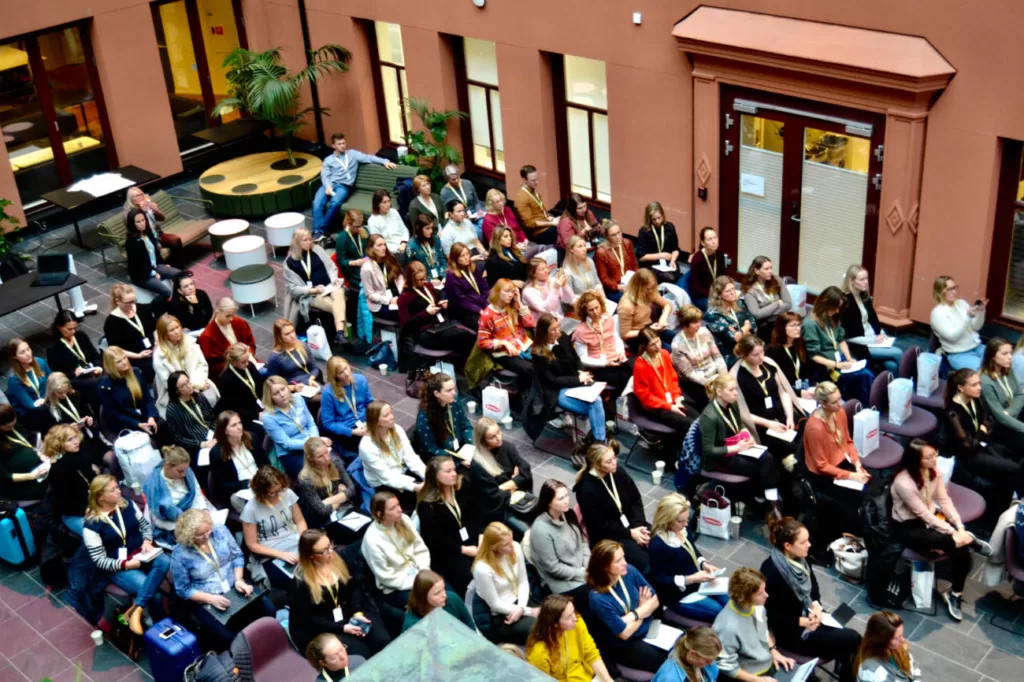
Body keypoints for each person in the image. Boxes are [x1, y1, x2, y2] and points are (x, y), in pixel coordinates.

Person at [891, 439, 993, 621]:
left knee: (960, 549)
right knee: (954, 542)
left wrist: (959, 525)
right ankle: (967, 539)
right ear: (916, 460)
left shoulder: (934, 472)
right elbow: (923, 514)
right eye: (929, 457)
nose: (934, 459)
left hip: (931, 521)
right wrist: (953, 533)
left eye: (935, 454)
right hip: (908, 527)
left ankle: (956, 593)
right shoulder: (904, 483)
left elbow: (944, 501)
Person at [760, 516, 862, 682]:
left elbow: (812, 585)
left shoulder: (802, 557)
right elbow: (771, 615)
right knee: (853, 639)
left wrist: (815, 606)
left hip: (809, 614)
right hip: (791, 631)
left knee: (849, 643)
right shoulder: (771, 572)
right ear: (787, 546)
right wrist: (803, 621)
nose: (809, 545)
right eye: (803, 542)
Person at [170, 508, 273, 648]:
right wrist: (211, 599)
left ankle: (270, 644)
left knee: (269, 610)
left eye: (208, 531)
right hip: (207, 597)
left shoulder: (220, 531)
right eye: (200, 535)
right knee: (231, 637)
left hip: (233, 585)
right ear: (189, 535)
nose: (207, 536)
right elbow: (183, 590)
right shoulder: (180, 554)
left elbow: (237, 556)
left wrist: (239, 580)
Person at [83, 475, 171, 634]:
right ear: (100, 496)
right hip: (119, 566)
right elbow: (99, 560)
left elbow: (144, 525)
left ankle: (136, 610)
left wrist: (146, 541)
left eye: (117, 487)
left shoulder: (127, 504)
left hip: (141, 552)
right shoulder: (91, 525)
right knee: (155, 594)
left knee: (165, 560)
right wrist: (125, 564)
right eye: (114, 489)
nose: (119, 491)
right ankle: (160, 626)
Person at [291, 529, 390, 657]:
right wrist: (342, 628)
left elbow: (353, 588)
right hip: (324, 627)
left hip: (348, 612)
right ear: (311, 555)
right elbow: (312, 619)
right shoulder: (302, 582)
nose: (330, 551)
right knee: (362, 652)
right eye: (324, 550)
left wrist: (357, 612)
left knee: (382, 640)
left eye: (330, 545)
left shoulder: (336, 559)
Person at [944, 368, 1024, 510]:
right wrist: (982, 431)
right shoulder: (953, 413)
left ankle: (1008, 503)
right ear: (961, 388)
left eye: (979, 383)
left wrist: (982, 431)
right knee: (1014, 468)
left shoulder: (975, 399)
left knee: (1013, 456)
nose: (979, 388)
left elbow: (988, 422)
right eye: (974, 385)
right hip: (967, 457)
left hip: (982, 444)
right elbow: (968, 446)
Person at [699, 373, 782, 507]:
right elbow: (708, 451)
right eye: (731, 390)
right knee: (763, 468)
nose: (736, 393)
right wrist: (738, 448)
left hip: (737, 446)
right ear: (719, 392)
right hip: (721, 457)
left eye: (736, 389)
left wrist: (746, 434)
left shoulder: (733, 404)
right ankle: (765, 501)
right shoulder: (709, 417)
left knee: (768, 458)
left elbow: (740, 425)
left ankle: (770, 500)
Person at [586, 539, 666, 673]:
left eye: (623, 557)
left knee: (678, 649)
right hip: (627, 644)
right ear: (605, 566)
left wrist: (631, 617)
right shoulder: (598, 598)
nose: (625, 563)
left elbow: (656, 599)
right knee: (665, 663)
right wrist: (641, 611)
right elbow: (624, 633)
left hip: (649, 627)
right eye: (618, 561)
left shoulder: (629, 571)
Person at [803, 382, 868, 540]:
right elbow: (821, 465)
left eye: (840, 399)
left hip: (841, 462)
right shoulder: (814, 428)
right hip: (822, 475)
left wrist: (857, 463)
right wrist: (851, 476)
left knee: (870, 487)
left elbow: (848, 442)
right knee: (859, 495)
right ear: (823, 404)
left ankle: (860, 530)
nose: (840, 404)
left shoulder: (839, 413)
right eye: (835, 402)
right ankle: (857, 532)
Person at [648, 493, 727, 622]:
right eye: (680, 521)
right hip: (679, 593)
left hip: (698, 580)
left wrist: (703, 564)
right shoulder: (657, 545)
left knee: (731, 602)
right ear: (667, 519)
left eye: (687, 519)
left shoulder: (683, 528)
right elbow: (659, 580)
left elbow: (692, 550)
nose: (685, 524)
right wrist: (690, 579)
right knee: (720, 612)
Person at [575, 443, 650, 573]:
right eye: (609, 461)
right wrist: (631, 534)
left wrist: (638, 525)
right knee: (645, 561)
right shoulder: (586, 490)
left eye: (614, 458)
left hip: (630, 524)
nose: (614, 463)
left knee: (659, 540)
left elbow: (635, 499)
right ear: (597, 465)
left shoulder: (617, 472)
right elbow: (600, 526)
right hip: (609, 536)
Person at [532, 313, 608, 443]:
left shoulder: (563, 338)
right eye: (553, 330)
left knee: (597, 401)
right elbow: (552, 381)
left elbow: (576, 359)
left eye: (558, 327)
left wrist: (581, 373)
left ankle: (599, 440)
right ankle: (600, 441)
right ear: (544, 332)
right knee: (596, 405)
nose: (558, 332)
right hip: (558, 391)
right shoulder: (538, 353)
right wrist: (578, 379)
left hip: (575, 380)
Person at [712, 567, 795, 682]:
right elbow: (726, 666)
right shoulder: (727, 627)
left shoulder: (757, 606)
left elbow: (762, 631)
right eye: (760, 593)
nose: (766, 595)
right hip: (751, 676)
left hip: (767, 662)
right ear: (745, 597)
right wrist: (757, 680)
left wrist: (774, 651)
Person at [731, 334, 804, 461]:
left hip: (782, 414)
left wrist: (790, 416)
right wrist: (768, 424)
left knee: (807, 430)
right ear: (744, 355)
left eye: (762, 352)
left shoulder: (768, 364)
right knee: (791, 446)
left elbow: (783, 392)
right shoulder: (736, 377)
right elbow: (742, 412)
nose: (761, 357)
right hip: (762, 423)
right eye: (755, 355)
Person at [415, 456, 480, 596]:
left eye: (454, 469)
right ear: (435, 476)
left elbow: (475, 514)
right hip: (449, 551)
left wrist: (481, 537)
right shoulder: (427, 505)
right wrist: (464, 549)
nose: (454, 474)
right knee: (472, 578)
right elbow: (434, 541)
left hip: (471, 539)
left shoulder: (462, 487)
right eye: (448, 471)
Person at [313, 132, 396, 236]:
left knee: (335, 202)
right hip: (329, 185)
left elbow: (368, 158)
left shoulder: (352, 154)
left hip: (343, 186)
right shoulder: (328, 160)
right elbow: (325, 175)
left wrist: (384, 161)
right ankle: (317, 231)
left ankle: (323, 230)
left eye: (344, 143)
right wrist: (328, 186)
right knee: (317, 203)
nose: (342, 145)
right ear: (333, 146)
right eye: (339, 144)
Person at [803, 286, 874, 404]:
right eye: (835, 307)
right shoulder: (810, 324)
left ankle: (865, 405)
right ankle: (864, 407)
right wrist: (838, 365)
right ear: (825, 303)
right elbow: (814, 355)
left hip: (840, 360)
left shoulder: (832, 317)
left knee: (866, 373)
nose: (837, 311)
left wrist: (849, 358)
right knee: (864, 376)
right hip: (826, 366)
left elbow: (841, 340)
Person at [361, 491, 431, 608]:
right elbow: (386, 577)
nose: (399, 510)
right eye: (392, 508)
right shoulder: (372, 540)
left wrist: (424, 570)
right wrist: (416, 581)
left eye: (398, 505)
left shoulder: (404, 519)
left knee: (446, 595)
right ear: (380, 514)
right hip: (397, 587)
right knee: (428, 604)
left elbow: (420, 549)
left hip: (420, 573)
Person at [241, 465, 306, 589]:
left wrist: (304, 541)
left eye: (279, 490)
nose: (277, 495)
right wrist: (281, 554)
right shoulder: (250, 509)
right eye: (272, 493)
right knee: (299, 581)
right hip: (272, 552)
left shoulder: (287, 493)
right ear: (261, 491)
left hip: (296, 541)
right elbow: (252, 545)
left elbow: (300, 522)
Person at [472, 521, 538, 644]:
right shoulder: (482, 568)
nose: (512, 546)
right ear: (494, 547)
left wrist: (522, 608)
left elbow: (523, 582)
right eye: (506, 544)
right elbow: (495, 604)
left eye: (511, 540)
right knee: (539, 629)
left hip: (522, 601)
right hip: (501, 615)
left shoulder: (515, 548)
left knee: (554, 616)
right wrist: (528, 611)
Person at [465, 417, 533, 534]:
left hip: (516, 497)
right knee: (526, 532)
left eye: (498, 432)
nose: (498, 438)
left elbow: (526, 471)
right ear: (483, 441)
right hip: (499, 509)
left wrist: (504, 487)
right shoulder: (478, 464)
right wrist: (514, 482)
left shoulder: (507, 447)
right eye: (492, 437)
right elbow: (492, 496)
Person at [397, 262, 475, 362]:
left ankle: (465, 363)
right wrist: (425, 313)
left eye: (425, 278)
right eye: (419, 280)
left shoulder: (428, 286)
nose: (423, 281)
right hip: (425, 333)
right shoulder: (405, 298)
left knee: (468, 335)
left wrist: (441, 304)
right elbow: (406, 325)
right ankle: (469, 365)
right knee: (464, 335)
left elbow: (434, 303)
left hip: (441, 324)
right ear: (411, 280)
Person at [526, 594, 614, 682]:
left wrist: (608, 680)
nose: (575, 618)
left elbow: (591, 653)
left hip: (588, 676)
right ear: (555, 624)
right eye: (569, 617)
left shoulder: (577, 622)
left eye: (574, 611)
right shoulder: (539, 653)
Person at [531, 479, 591, 607]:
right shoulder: (540, 530)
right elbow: (553, 568)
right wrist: (582, 573)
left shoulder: (568, 513)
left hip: (582, 569)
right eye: (560, 498)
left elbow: (583, 541)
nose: (566, 501)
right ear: (549, 502)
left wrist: (588, 563)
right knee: (593, 595)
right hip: (561, 581)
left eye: (566, 496)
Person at [283, 228, 349, 344]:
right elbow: (293, 289)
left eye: (310, 239)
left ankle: (339, 334)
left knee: (339, 293)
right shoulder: (289, 263)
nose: (310, 242)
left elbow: (331, 267)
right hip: (313, 294)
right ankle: (342, 334)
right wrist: (313, 290)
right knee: (337, 305)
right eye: (305, 240)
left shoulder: (317, 250)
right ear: (297, 242)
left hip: (330, 286)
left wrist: (334, 279)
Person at [358, 401, 426, 513]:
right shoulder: (367, 446)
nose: (392, 417)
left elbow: (411, 457)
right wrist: (415, 487)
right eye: (386, 415)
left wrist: (427, 475)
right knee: (419, 505)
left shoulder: (397, 429)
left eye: (391, 412)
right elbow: (387, 477)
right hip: (383, 483)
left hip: (401, 472)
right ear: (376, 421)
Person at [296, 437, 360, 545]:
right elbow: (322, 511)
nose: (326, 458)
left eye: (327, 452)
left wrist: (327, 501)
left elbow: (353, 490)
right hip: (325, 520)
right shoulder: (305, 478)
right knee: (352, 536)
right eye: (320, 456)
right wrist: (342, 495)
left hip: (346, 508)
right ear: (311, 459)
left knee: (365, 525)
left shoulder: (335, 461)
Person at [634, 327, 696, 437]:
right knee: (689, 425)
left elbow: (673, 378)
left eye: (658, 341)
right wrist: (670, 407)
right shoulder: (640, 365)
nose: (657, 346)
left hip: (672, 399)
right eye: (652, 344)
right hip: (656, 407)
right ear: (645, 346)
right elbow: (645, 397)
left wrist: (677, 397)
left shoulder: (664, 354)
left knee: (699, 418)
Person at [841, 265, 903, 374]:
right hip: (861, 344)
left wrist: (881, 333)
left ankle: (892, 388)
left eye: (866, 278)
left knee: (891, 365)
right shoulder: (845, 303)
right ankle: (903, 383)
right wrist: (872, 340)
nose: (866, 282)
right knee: (898, 353)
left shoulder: (864, 297)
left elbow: (874, 321)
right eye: (862, 279)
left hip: (873, 339)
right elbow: (847, 336)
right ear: (851, 281)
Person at [153, 314, 218, 418]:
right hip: (176, 393)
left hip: (199, 381)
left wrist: (196, 382)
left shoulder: (190, 342)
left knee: (211, 400)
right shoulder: (159, 356)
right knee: (187, 414)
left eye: (177, 327)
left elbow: (202, 365)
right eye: (171, 330)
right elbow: (168, 383)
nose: (177, 332)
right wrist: (193, 386)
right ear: (164, 334)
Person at [144, 446, 212, 545]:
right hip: (173, 527)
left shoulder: (187, 471)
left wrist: (205, 512)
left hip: (197, 516)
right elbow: (156, 519)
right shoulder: (153, 485)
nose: (184, 474)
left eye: (186, 470)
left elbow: (197, 495)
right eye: (180, 471)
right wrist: (183, 527)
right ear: (167, 466)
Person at [478, 278, 537, 389]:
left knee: (546, 359)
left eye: (512, 292)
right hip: (505, 353)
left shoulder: (513, 306)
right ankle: (530, 396)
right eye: (507, 291)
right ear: (497, 292)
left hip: (524, 345)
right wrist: (502, 343)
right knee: (530, 368)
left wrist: (519, 301)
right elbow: (482, 342)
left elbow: (531, 323)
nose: (510, 295)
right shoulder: (487, 315)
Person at [572, 291, 632, 394]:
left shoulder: (608, 318)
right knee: (624, 379)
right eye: (591, 310)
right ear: (584, 311)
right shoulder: (580, 331)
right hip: (599, 366)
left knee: (638, 370)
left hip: (616, 358)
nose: (595, 312)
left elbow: (615, 337)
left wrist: (621, 352)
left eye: (597, 308)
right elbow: (582, 359)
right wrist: (605, 363)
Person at [41, 423, 97, 535]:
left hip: (94, 503)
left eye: (75, 437)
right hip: (75, 513)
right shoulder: (58, 470)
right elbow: (65, 504)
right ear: (59, 444)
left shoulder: (80, 456)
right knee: (97, 535)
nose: (76, 441)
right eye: (70, 440)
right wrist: (89, 510)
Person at [209, 410, 269, 513]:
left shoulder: (251, 438)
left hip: (261, 481)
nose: (239, 427)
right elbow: (221, 484)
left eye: (239, 423)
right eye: (233, 425)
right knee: (259, 507)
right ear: (225, 431)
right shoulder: (216, 452)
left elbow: (265, 463)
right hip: (240, 491)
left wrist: (264, 478)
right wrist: (247, 483)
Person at [262, 375, 321, 477]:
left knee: (334, 462)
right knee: (314, 473)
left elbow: (311, 423)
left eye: (283, 389)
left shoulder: (298, 399)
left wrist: (315, 439)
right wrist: (310, 443)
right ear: (270, 397)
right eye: (276, 393)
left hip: (311, 441)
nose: (282, 394)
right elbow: (287, 444)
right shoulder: (268, 417)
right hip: (291, 454)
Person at [40, 373, 104, 466]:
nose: (63, 395)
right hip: (70, 446)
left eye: (65, 391)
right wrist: (66, 429)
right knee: (90, 466)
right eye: (60, 393)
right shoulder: (46, 409)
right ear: (51, 392)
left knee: (110, 457)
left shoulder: (75, 395)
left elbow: (87, 413)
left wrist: (89, 419)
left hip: (88, 436)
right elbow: (47, 436)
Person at [671, 305, 728, 410]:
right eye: (695, 322)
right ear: (685, 324)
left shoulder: (704, 332)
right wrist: (710, 383)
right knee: (717, 402)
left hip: (715, 374)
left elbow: (717, 356)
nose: (699, 325)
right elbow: (689, 372)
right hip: (698, 382)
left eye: (699, 321)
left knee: (730, 390)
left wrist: (724, 376)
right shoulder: (677, 345)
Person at [930, 275, 987, 371]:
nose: (954, 291)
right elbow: (953, 337)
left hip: (977, 346)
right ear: (940, 292)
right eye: (949, 289)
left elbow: (976, 327)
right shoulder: (938, 313)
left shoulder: (961, 303)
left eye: (955, 287)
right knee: (983, 372)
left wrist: (981, 311)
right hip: (959, 353)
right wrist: (968, 317)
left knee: (1002, 362)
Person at [99, 346, 159, 436]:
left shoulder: (136, 372)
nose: (124, 362)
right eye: (119, 361)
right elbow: (115, 415)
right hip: (126, 424)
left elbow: (148, 399)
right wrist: (137, 424)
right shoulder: (105, 386)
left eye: (124, 358)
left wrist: (151, 417)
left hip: (145, 417)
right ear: (111, 366)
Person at [103, 284, 156, 383]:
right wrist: (139, 355)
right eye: (128, 302)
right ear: (118, 301)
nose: (132, 305)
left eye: (133, 301)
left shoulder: (142, 309)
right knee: (152, 367)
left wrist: (157, 342)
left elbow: (155, 328)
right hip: (134, 356)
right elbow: (116, 350)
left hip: (153, 347)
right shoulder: (112, 322)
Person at [320, 356, 373, 456]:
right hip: (347, 429)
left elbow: (369, 402)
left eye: (346, 368)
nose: (347, 373)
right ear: (335, 376)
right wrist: (352, 431)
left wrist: (373, 417)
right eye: (341, 372)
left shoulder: (361, 380)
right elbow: (328, 423)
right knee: (370, 449)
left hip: (365, 422)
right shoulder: (328, 392)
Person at [48, 310, 102, 405]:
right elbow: (58, 374)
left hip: (91, 370)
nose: (73, 331)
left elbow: (96, 355)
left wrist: (97, 367)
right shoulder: (53, 348)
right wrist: (74, 373)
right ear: (59, 327)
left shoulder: (81, 336)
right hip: (74, 379)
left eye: (75, 328)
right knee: (96, 383)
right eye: (69, 329)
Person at [415, 372, 473, 461]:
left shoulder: (454, 401)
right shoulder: (425, 417)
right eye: (449, 390)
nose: (454, 393)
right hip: (442, 457)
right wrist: (458, 460)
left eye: (454, 389)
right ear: (437, 394)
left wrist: (470, 444)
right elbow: (431, 449)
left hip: (461, 449)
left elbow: (465, 425)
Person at [124, 208, 181, 299]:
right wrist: (154, 273)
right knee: (166, 291)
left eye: (143, 220)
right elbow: (138, 265)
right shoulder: (131, 242)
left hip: (155, 266)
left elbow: (156, 254)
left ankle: (180, 298)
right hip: (142, 275)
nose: (142, 223)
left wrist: (163, 265)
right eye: (138, 222)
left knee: (179, 275)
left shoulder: (149, 234)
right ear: (132, 224)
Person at [979, 337, 1024, 452]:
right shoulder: (985, 381)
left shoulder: (1007, 370)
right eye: (1005, 353)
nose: (1010, 357)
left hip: (1012, 413)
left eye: (1010, 352)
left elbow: (1019, 395)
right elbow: (1000, 417)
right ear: (993, 357)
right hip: (998, 425)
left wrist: (1010, 411)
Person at [198, 298, 259, 379]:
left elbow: (250, 342)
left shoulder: (239, 322)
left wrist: (247, 356)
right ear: (217, 312)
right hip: (229, 373)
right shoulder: (207, 336)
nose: (231, 319)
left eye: (233, 315)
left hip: (248, 362)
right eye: (227, 316)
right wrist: (235, 364)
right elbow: (212, 364)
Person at [704, 276, 757, 367]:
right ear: (719, 295)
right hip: (731, 355)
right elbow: (734, 338)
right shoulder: (713, 314)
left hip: (748, 346)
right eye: (728, 291)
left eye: (733, 289)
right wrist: (746, 327)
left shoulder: (739, 303)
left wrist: (741, 331)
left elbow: (754, 325)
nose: (733, 293)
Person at [854, 611, 921, 682]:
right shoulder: (872, 673)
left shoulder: (900, 647)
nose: (903, 640)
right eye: (897, 638)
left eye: (902, 635)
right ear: (882, 640)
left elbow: (914, 670)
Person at [164, 370, 216, 458]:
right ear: (177, 391)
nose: (188, 386)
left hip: (212, 435)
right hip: (195, 447)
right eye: (183, 385)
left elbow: (212, 416)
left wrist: (216, 433)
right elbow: (179, 438)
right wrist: (201, 444)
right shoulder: (172, 410)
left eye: (188, 381)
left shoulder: (199, 396)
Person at [403, 569, 475, 632]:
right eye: (437, 593)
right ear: (423, 597)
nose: (444, 595)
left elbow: (469, 625)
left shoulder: (453, 598)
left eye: (443, 588)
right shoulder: (412, 625)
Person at [618, 269, 672, 352]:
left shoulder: (648, 293)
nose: (650, 291)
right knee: (669, 351)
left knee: (679, 338)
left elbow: (667, 305)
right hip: (637, 337)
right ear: (638, 287)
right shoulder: (626, 306)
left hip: (650, 327)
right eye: (647, 289)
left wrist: (663, 318)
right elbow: (625, 334)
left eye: (652, 288)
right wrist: (648, 330)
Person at [0, 405, 46, 501]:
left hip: (38, 470)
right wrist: (32, 476)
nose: (12, 427)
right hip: (22, 483)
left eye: (13, 423)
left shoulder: (15, 427)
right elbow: (5, 477)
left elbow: (26, 443)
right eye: (8, 426)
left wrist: (39, 454)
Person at [267, 318, 323, 394]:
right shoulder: (275, 357)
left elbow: (314, 368)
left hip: (310, 382)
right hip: (294, 389)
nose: (292, 336)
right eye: (287, 334)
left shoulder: (302, 345)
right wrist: (293, 388)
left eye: (292, 331)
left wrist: (311, 379)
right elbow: (273, 384)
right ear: (279, 337)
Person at [742, 257, 792, 341]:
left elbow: (788, 304)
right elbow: (757, 315)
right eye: (766, 269)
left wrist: (767, 312)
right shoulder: (750, 291)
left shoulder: (777, 280)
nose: (770, 271)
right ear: (757, 271)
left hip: (781, 320)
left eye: (771, 268)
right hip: (765, 326)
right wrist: (776, 303)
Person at [215, 343, 265, 427]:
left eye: (248, 360)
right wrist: (256, 415)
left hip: (256, 405)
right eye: (243, 362)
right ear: (234, 362)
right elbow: (233, 408)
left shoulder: (250, 366)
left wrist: (267, 403)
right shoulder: (226, 380)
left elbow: (260, 387)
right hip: (243, 415)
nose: (247, 364)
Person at [6, 337, 52, 427]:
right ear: (15, 356)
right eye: (22, 352)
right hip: (30, 412)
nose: (28, 354)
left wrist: (46, 397)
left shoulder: (40, 362)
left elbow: (53, 381)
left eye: (28, 349)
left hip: (46, 401)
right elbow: (30, 405)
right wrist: (49, 397)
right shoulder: (13, 379)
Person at [444, 242, 491, 329]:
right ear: (455, 259)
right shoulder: (451, 275)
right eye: (462, 256)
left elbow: (485, 288)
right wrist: (479, 310)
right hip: (465, 310)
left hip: (480, 302)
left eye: (467, 254)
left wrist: (486, 305)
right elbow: (461, 300)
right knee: (485, 325)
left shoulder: (474, 267)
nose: (466, 258)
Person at [652, 627, 723, 682]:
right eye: (707, 661)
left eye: (714, 659)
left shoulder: (705, 661)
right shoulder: (669, 678)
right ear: (692, 654)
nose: (711, 663)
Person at [767, 312, 814, 394]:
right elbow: (777, 381)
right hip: (787, 392)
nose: (798, 328)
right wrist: (798, 393)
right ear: (782, 328)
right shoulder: (773, 350)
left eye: (799, 325)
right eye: (793, 326)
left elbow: (808, 368)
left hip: (805, 387)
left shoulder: (800, 342)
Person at [637, 201, 683, 284]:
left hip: (668, 262)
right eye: (654, 219)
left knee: (676, 275)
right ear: (649, 219)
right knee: (669, 278)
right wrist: (662, 255)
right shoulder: (644, 231)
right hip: (651, 263)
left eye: (659, 218)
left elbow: (675, 249)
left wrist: (673, 260)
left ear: (663, 215)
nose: (657, 221)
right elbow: (641, 257)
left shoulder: (669, 227)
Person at [361, 233, 404, 318]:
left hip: (397, 296)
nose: (383, 248)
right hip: (381, 303)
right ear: (371, 248)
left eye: (384, 244)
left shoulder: (390, 259)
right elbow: (370, 295)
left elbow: (399, 278)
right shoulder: (366, 268)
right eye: (379, 245)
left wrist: (402, 294)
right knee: (403, 313)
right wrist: (390, 300)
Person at [595, 219, 638, 303]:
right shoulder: (601, 252)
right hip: (614, 289)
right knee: (631, 300)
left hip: (630, 283)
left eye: (619, 232)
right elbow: (604, 279)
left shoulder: (627, 243)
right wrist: (619, 287)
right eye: (613, 235)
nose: (618, 237)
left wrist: (636, 279)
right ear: (607, 237)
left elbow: (634, 265)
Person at [515, 165, 560, 244]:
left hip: (546, 223)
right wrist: (552, 223)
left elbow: (542, 210)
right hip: (539, 233)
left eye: (537, 179)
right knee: (564, 230)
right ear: (524, 180)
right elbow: (530, 224)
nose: (537, 182)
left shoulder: (534, 192)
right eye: (533, 180)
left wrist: (550, 217)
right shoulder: (521, 199)